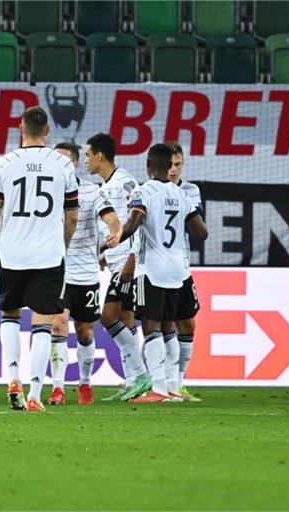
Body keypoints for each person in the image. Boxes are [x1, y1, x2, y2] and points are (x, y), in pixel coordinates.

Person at [0, 106, 80, 413]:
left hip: (13, 253)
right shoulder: (63, 164)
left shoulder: (5, 163)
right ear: (47, 130)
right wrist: (62, 245)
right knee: (43, 322)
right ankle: (35, 393)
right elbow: (72, 216)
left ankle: (12, 379)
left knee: (9, 314)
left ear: (20, 128)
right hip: (48, 254)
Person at [118, 143, 208, 403]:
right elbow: (202, 232)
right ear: (170, 166)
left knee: (152, 326)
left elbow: (134, 222)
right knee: (171, 326)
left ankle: (157, 388)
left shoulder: (142, 191)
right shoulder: (182, 195)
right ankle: (172, 388)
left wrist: (116, 238)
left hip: (152, 269)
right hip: (178, 269)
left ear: (148, 165)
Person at [46, 142, 122, 406]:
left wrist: (115, 230)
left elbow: (111, 218)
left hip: (86, 273)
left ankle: (85, 383)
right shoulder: (45, 192)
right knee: (57, 324)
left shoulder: (91, 191)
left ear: (75, 164)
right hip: (57, 271)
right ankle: (58, 388)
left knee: (85, 332)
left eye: (65, 160)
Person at [84, 133, 151, 401]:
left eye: (88, 155)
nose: (86, 161)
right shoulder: (105, 185)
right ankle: (133, 380)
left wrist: (132, 259)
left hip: (127, 263)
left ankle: (142, 374)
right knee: (125, 319)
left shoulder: (125, 183)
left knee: (108, 316)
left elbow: (139, 222)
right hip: (115, 260)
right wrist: (104, 252)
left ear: (99, 155)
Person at [165, 141, 203, 402]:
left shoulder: (191, 190)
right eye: (169, 164)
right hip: (155, 268)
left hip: (181, 265)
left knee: (187, 322)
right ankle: (162, 382)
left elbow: (195, 223)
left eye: (178, 164)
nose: (174, 169)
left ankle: (178, 383)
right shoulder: (148, 190)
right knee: (159, 324)